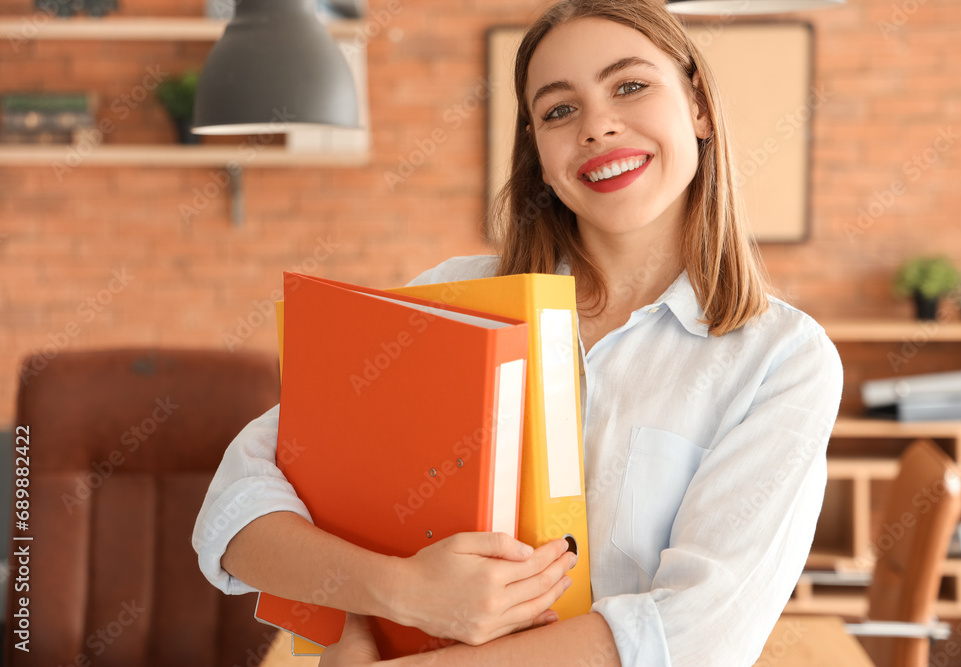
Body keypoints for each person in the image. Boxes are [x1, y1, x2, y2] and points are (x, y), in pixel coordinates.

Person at [193, 0, 844, 665]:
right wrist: (402, 591)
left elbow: (695, 633)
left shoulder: (780, 360)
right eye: (559, 110)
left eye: (629, 85)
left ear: (698, 106)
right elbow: (236, 508)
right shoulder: (450, 303)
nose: (598, 126)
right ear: (536, 147)